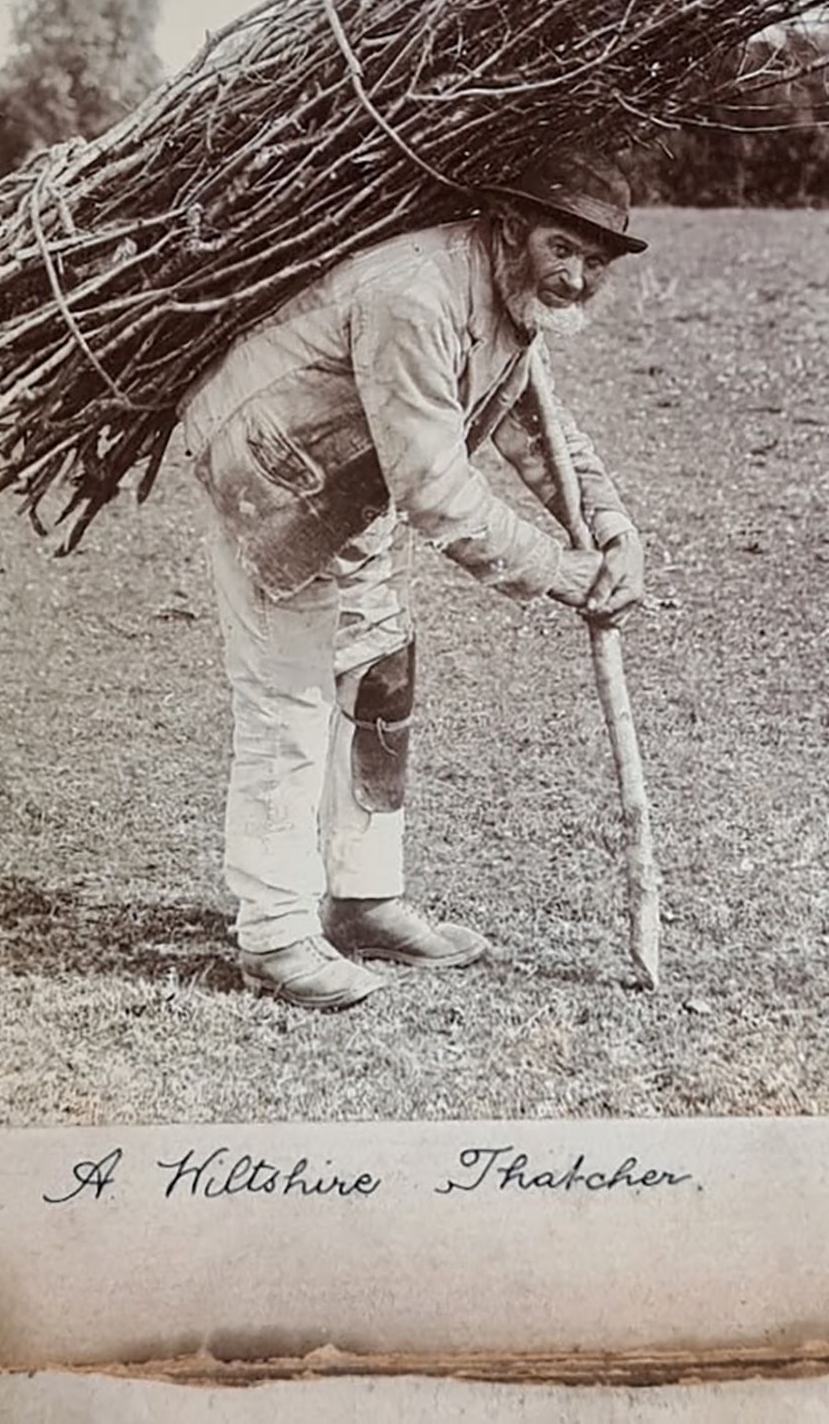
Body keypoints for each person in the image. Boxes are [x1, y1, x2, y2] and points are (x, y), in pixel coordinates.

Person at [179, 147, 648, 1011]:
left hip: (359, 482)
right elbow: (438, 493)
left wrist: (613, 526)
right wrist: (566, 573)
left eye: (595, 261)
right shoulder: (416, 293)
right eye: (563, 250)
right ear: (511, 229)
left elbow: (536, 422)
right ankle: (276, 934)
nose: (578, 277)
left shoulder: (507, 291)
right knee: (290, 704)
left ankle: (363, 898)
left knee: (383, 678)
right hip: (275, 475)